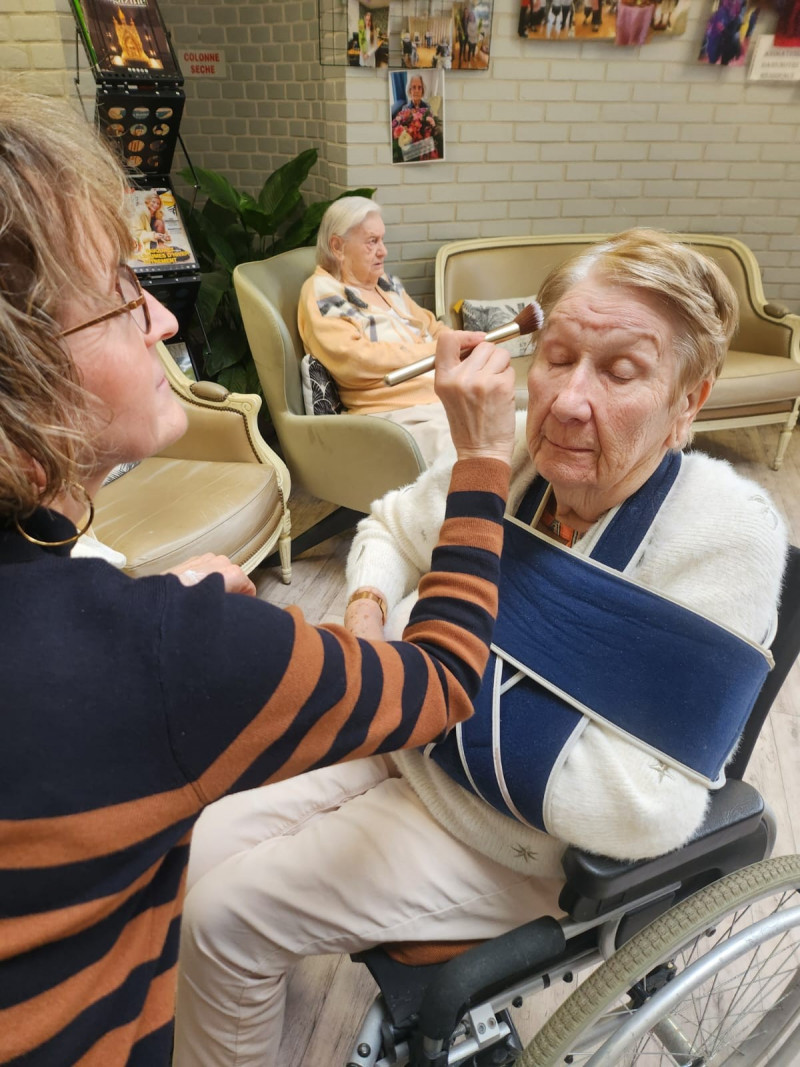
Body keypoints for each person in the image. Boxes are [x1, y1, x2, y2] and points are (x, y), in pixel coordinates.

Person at [174, 229, 788, 1066]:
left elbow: (646, 806)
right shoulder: (516, 465)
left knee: (225, 916)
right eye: (558, 357)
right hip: (409, 751)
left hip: (514, 843)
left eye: (621, 372)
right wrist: (367, 611)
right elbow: (392, 527)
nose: (569, 401)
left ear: (689, 400)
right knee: (194, 843)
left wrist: (418, 685)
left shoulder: (724, 540)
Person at [0, 87, 519, 1066]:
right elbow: (444, 678)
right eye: (119, 292)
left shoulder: (110, 623)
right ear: (23, 380)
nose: (159, 315)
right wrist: (481, 460)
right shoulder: (162, 653)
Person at [297, 195, 452, 464]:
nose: (383, 251)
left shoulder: (386, 283)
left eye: (382, 239)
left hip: (439, 393)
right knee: (470, 452)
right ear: (338, 247)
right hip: (394, 410)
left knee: (512, 428)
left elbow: (430, 325)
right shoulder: (323, 293)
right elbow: (356, 361)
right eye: (372, 242)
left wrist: (456, 342)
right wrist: (435, 351)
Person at [391, 73, 442, 164]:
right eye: (413, 87)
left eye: (419, 87)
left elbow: (431, 130)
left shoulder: (427, 107)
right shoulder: (405, 109)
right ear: (409, 91)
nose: (417, 91)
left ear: (422, 91)